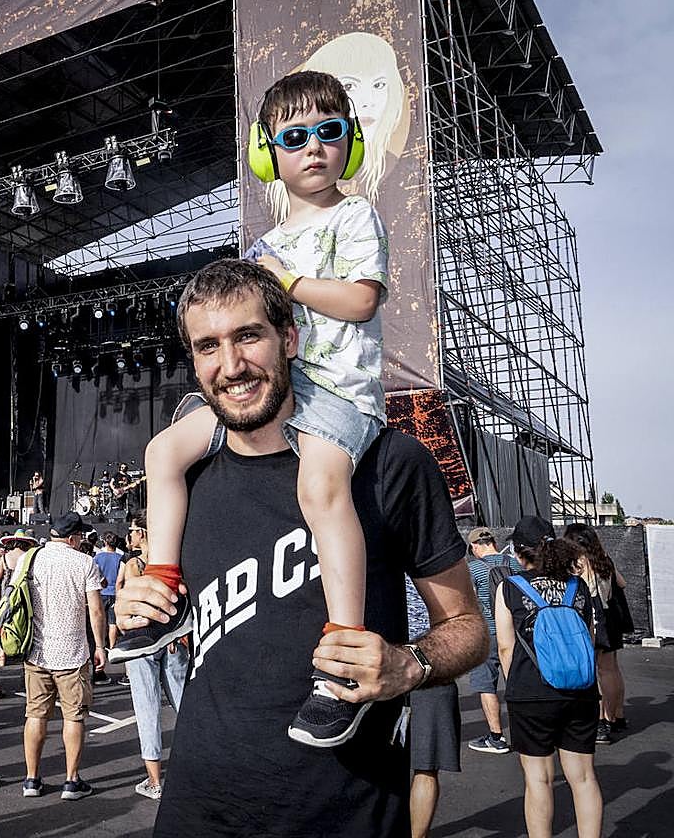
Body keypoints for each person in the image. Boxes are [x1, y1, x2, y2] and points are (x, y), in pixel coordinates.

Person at [114, 258, 486, 836]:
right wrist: (141, 596)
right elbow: (186, 604)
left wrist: (407, 666)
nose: (231, 366)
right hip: (197, 809)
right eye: (208, 346)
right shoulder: (186, 478)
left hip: (345, 813)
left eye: (248, 336)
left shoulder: (390, 465)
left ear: (289, 339)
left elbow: (468, 628)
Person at [118, 71, 392, 748]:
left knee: (319, 487)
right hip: (278, 391)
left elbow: (362, 301)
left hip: (340, 393)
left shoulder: (355, 216)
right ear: (268, 153)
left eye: (329, 132)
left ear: (351, 141)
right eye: (294, 138)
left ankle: (343, 656)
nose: (314, 148)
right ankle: (165, 590)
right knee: (162, 450)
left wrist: (287, 281)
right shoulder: (263, 246)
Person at [495, 517, 602, 838]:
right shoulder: (577, 587)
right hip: (581, 689)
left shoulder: (510, 587)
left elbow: (505, 647)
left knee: (538, 779)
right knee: (584, 778)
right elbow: (589, 639)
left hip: (531, 691)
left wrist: (515, 685)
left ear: (519, 552)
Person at [19, 512, 107, 801]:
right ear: (72, 538)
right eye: (80, 536)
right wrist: (100, 646)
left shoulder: (30, 558)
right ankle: (71, 780)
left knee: (35, 714)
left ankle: (31, 779)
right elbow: (96, 610)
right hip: (73, 652)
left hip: (37, 651)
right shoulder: (84, 562)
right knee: (74, 716)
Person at [117, 511, 188, 800]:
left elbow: (133, 601)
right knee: (184, 703)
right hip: (173, 638)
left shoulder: (134, 565)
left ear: (143, 534)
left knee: (147, 707)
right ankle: (194, 765)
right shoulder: (177, 560)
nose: (130, 535)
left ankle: (154, 781)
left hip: (143, 640)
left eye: (133, 530)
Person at [405, 578, 462, 838]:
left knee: (378, 765)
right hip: (431, 670)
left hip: (383, 668)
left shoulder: (375, 569)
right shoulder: (440, 574)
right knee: (426, 766)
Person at [564, 522, 628, 744]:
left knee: (592, 671)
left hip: (590, 615)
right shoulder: (603, 558)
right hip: (609, 616)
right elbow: (622, 583)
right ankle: (616, 716)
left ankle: (599, 723)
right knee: (610, 669)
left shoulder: (577, 562)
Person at [465, 525, 521, 754]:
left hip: (488, 633)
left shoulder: (473, 568)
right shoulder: (514, 564)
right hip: (515, 632)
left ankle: (496, 737)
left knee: (486, 684)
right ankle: (524, 732)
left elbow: (468, 601)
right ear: (493, 543)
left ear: (474, 546)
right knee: (517, 681)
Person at [93, 532, 125, 649]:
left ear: (105, 542)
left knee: (100, 619)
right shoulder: (120, 558)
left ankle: (100, 645)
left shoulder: (97, 558)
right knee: (113, 622)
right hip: (115, 593)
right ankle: (112, 647)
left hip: (101, 593)